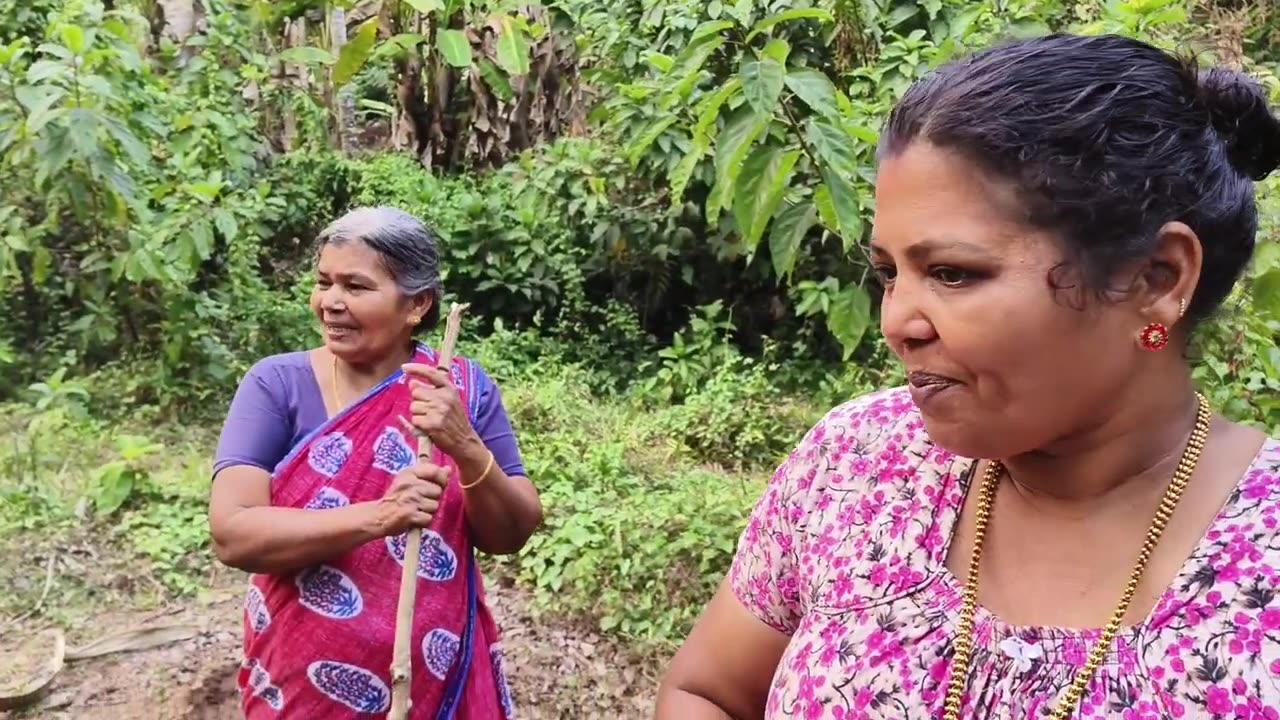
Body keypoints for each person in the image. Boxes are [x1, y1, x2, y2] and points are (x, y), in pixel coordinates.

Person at [656, 33, 1280, 720]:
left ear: (1156, 280)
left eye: (953, 273)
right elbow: (706, 690)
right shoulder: (859, 465)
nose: (898, 321)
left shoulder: (1262, 559)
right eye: (890, 273)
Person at [209, 206, 542, 719]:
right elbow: (233, 533)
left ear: (417, 304)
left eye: (356, 287)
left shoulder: (461, 391)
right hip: (303, 687)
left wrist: (465, 445)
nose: (331, 303)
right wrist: (381, 516)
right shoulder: (277, 385)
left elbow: (511, 533)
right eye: (324, 283)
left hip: (437, 683)